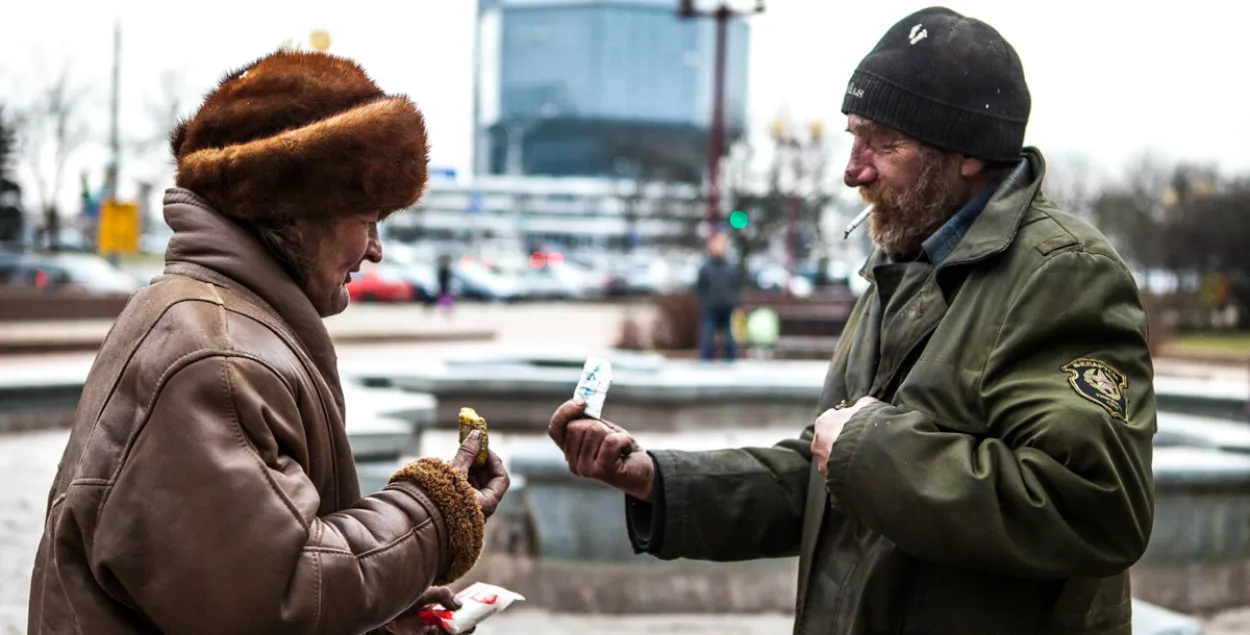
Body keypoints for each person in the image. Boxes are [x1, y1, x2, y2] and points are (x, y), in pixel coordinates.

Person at [548, 7, 1156, 634]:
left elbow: (1095, 510)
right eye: (852, 137)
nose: (852, 169)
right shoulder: (907, 258)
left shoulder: (1061, 273)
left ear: (969, 154)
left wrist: (867, 451)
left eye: (881, 142)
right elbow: (827, 473)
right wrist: (657, 479)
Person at [28, 50, 508, 635]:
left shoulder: (212, 320)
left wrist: (380, 615)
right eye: (367, 218)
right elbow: (278, 596)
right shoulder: (217, 358)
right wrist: (433, 513)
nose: (376, 250)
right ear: (297, 210)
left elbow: (227, 583)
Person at [694, 231, 741, 361]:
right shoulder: (706, 268)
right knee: (707, 340)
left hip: (727, 309)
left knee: (730, 341)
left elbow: (735, 287)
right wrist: (705, 304)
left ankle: (731, 364)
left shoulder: (730, 267)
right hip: (710, 309)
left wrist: (734, 302)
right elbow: (700, 289)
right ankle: (704, 365)